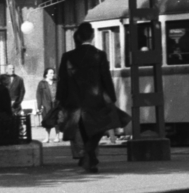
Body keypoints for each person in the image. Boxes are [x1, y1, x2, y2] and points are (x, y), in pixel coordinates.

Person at [56, 22, 126, 173]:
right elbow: (105, 78)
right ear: (93, 36)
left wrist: (60, 98)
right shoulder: (100, 55)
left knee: (80, 129)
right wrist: (112, 97)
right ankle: (89, 157)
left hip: (74, 100)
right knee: (99, 128)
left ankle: (88, 158)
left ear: (78, 37)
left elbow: (62, 80)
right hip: (96, 99)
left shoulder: (67, 56)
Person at [35, 67, 57, 142]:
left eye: (53, 73)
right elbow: (38, 95)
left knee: (57, 120)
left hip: (56, 104)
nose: (52, 74)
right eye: (50, 73)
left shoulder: (56, 82)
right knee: (47, 121)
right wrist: (39, 106)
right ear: (46, 74)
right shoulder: (42, 83)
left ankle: (56, 136)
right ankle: (47, 137)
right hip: (46, 105)